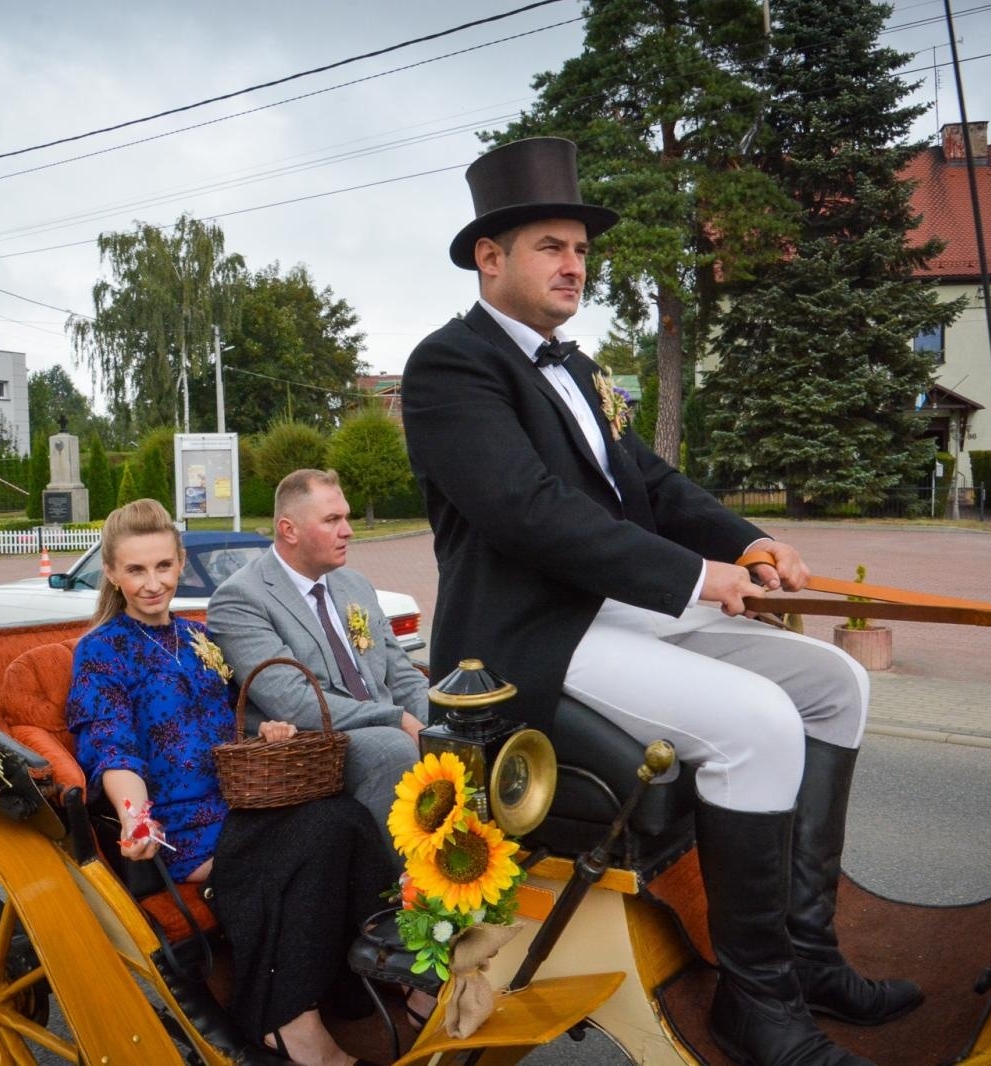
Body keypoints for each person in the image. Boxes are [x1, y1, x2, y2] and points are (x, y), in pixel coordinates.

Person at [400, 137, 920, 1066]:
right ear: (490, 256)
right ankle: (755, 1005)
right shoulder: (450, 366)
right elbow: (529, 511)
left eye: (581, 250)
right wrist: (694, 578)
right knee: (760, 722)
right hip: (534, 637)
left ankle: (806, 957)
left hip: (622, 612)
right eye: (551, 246)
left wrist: (745, 542)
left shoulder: (580, 369)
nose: (574, 265)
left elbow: (651, 482)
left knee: (836, 684)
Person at [66, 498, 394, 1066]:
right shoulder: (102, 651)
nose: (153, 583)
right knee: (319, 834)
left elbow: (226, 726)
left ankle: (374, 981)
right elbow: (111, 749)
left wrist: (263, 732)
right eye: (136, 570)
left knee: (344, 816)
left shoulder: (198, 640)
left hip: (239, 804)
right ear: (113, 574)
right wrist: (137, 818)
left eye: (163, 566)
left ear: (179, 563)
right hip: (180, 829)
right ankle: (287, 1022)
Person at [207, 468, 430, 851]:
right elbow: (293, 702)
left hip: (382, 725)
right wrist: (395, 718)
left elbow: (402, 675)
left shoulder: (354, 584)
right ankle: (404, 883)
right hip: (315, 743)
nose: (348, 531)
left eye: (346, 517)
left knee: (467, 732)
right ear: (289, 530)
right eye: (332, 520)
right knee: (393, 750)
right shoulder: (241, 598)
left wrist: (442, 722)